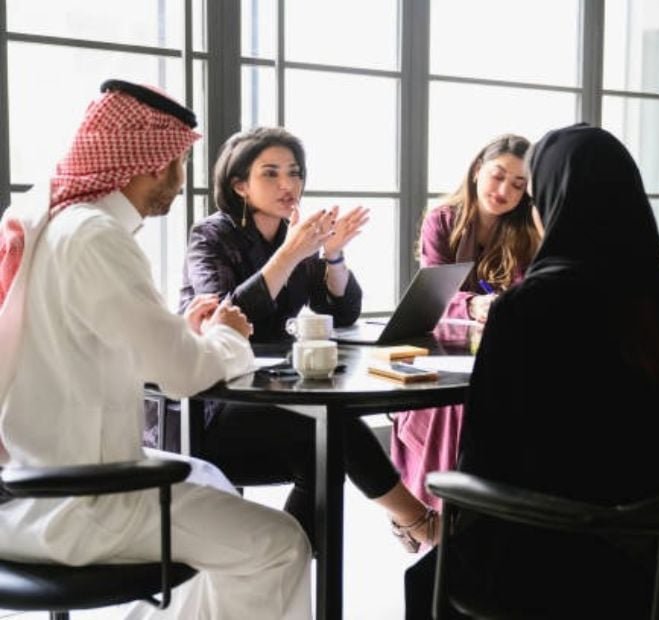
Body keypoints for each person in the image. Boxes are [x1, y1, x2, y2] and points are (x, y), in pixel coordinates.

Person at [0, 80, 312, 618]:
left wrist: (179, 332)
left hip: (27, 488)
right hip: (80, 503)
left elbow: (89, 348)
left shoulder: (52, 224)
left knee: (211, 484)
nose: (181, 180)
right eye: (180, 162)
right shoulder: (96, 236)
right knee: (280, 545)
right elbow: (184, 376)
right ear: (153, 162)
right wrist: (227, 334)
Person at [405, 123, 659, 618]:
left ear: (554, 202)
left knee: (424, 579)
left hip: (548, 552)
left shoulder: (527, 308)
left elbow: (484, 453)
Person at [179, 125, 438, 551]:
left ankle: (284, 565)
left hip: (270, 393)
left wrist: (332, 255)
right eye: (271, 173)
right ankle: (419, 521)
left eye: (294, 172)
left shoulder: (291, 235)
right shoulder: (211, 235)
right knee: (330, 430)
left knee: (326, 447)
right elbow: (224, 315)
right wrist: (293, 253)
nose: (288, 184)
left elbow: (341, 311)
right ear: (240, 185)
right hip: (211, 405)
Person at [390, 133, 541, 511]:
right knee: (453, 400)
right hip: (443, 345)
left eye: (518, 184)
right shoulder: (443, 220)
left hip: (498, 346)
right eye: (498, 175)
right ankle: (436, 508)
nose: (504, 190)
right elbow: (435, 292)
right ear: (477, 170)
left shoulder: (527, 230)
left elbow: (527, 292)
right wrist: (474, 305)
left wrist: (504, 306)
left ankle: (487, 507)